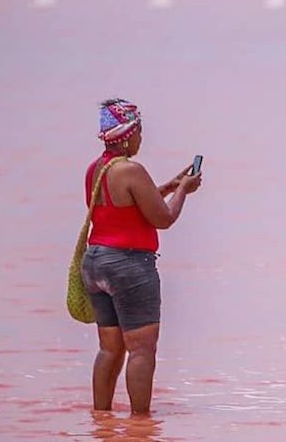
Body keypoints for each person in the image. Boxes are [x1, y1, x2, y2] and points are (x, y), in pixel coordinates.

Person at [81, 98, 201, 415]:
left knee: (110, 348)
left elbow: (125, 210)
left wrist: (169, 186)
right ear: (127, 135)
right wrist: (183, 192)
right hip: (128, 266)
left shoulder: (97, 169)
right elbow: (163, 219)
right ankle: (140, 422)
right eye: (139, 132)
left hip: (96, 261)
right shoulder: (132, 170)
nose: (141, 139)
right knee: (142, 348)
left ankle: (101, 418)